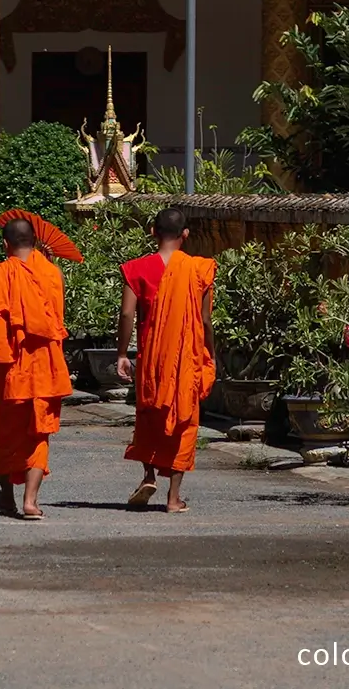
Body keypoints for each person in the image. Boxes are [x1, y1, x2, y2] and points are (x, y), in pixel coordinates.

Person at [116, 208, 216, 512]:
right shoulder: (198, 270)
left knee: (149, 416)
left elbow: (127, 314)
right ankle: (173, 498)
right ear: (185, 235)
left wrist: (122, 353)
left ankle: (148, 475)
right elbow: (206, 320)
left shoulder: (138, 269)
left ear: (152, 232)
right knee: (183, 421)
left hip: (151, 358)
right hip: (186, 358)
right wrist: (210, 354)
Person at [0, 217, 73, 520]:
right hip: (45, 367)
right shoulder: (52, 273)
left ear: (6, 244)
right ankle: (31, 502)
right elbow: (55, 316)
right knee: (38, 432)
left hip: (8, 368)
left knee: (5, 433)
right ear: (34, 241)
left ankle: (8, 496)